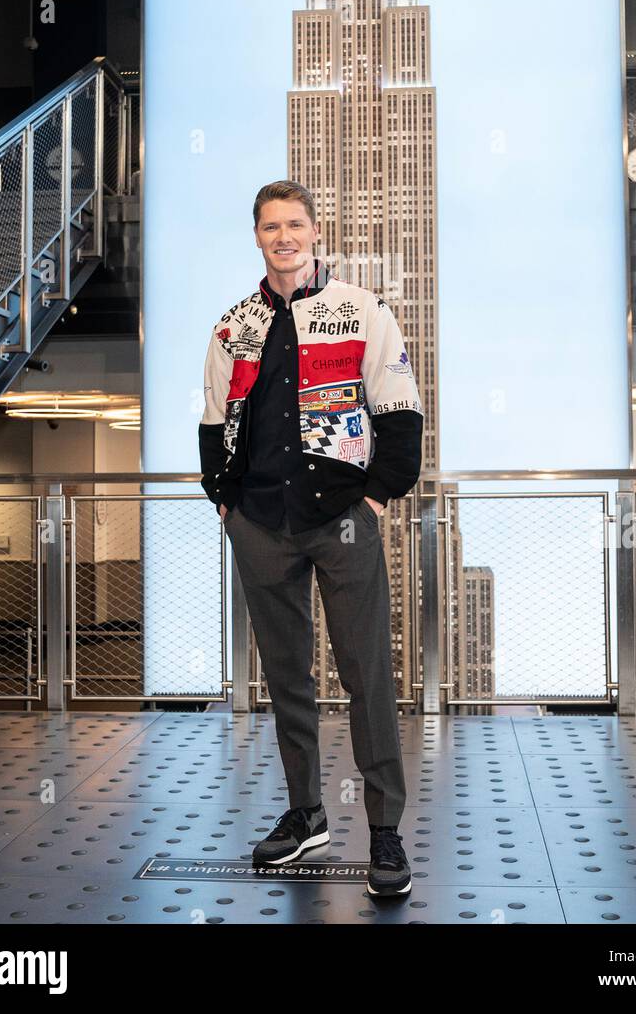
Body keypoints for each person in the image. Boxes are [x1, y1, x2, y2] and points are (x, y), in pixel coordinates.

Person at [199, 179, 423, 898]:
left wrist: (378, 501)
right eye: (271, 227)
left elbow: (399, 417)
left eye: (295, 225)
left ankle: (384, 828)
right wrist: (226, 505)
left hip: (344, 520)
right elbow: (213, 424)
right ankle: (305, 814)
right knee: (285, 678)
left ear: (315, 230)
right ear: (258, 236)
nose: (284, 237)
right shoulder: (232, 325)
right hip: (261, 523)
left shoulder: (360, 310)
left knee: (366, 674)